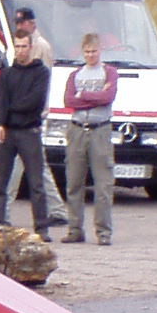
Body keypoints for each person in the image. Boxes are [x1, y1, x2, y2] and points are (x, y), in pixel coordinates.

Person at [4, 6, 67, 224]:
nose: (20, 26)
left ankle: (4, 212)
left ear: (33, 23)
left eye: (24, 23)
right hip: (23, 117)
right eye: (18, 23)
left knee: (18, 166)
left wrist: (38, 112)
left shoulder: (41, 47)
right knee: (39, 165)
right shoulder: (23, 43)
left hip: (33, 116)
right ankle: (58, 209)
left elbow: (42, 83)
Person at [0, 31, 51, 238]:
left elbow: (35, 101)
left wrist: (10, 109)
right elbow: (0, 101)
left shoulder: (41, 72)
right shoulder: (7, 74)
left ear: (31, 48)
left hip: (29, 131)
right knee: (0, 182)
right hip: (7, 130)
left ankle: (42, 228)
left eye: (24, 47)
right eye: (17, 47)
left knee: (36, 183)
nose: (20, 51)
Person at [61, 32, 119, 245]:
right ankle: (75, 229)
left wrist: (83, 96)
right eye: (87, 52)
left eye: (94, 51)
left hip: (100, 130)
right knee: (74, 182)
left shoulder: (109, 72)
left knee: (103, 184)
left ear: (100, 51)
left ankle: (103, 232)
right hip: (77, 129)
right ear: (82, 52)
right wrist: (93, 99)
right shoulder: (75, 75)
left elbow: (108, 97)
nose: (90, 55)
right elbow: (68, 100)